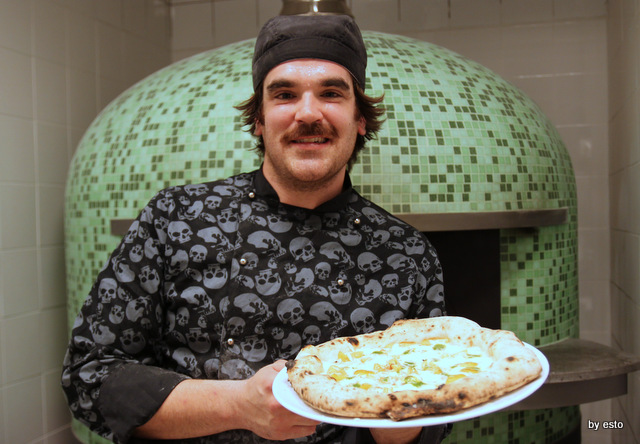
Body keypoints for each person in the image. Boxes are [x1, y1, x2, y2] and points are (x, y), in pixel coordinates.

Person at [62, 14, 449, 444]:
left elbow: (435, 419)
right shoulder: (175, 219)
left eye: (331, 93)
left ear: (359, 118)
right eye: (284, 94)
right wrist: (237, 406)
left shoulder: (407, 252)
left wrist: (399, 413)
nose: (308, 112)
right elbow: (91, 376)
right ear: (259, 120)